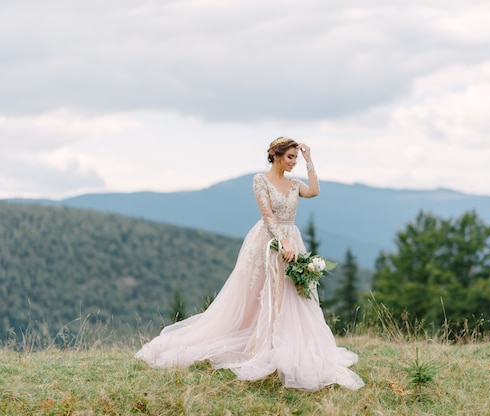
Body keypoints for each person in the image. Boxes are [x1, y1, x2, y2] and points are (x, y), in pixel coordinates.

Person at [135, 137, 364, 391]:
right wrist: (282, 243)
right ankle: (259, 344)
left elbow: (314, 191)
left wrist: (310, 160)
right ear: (276, 155)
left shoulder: (294, 184)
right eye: (290, 157)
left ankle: (282, 343)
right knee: (264, 294)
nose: (293, 163)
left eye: (296, 158)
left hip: (292, 241)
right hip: (268, 243)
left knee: (291, 294)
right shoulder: (261, 180)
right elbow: (267, 216)